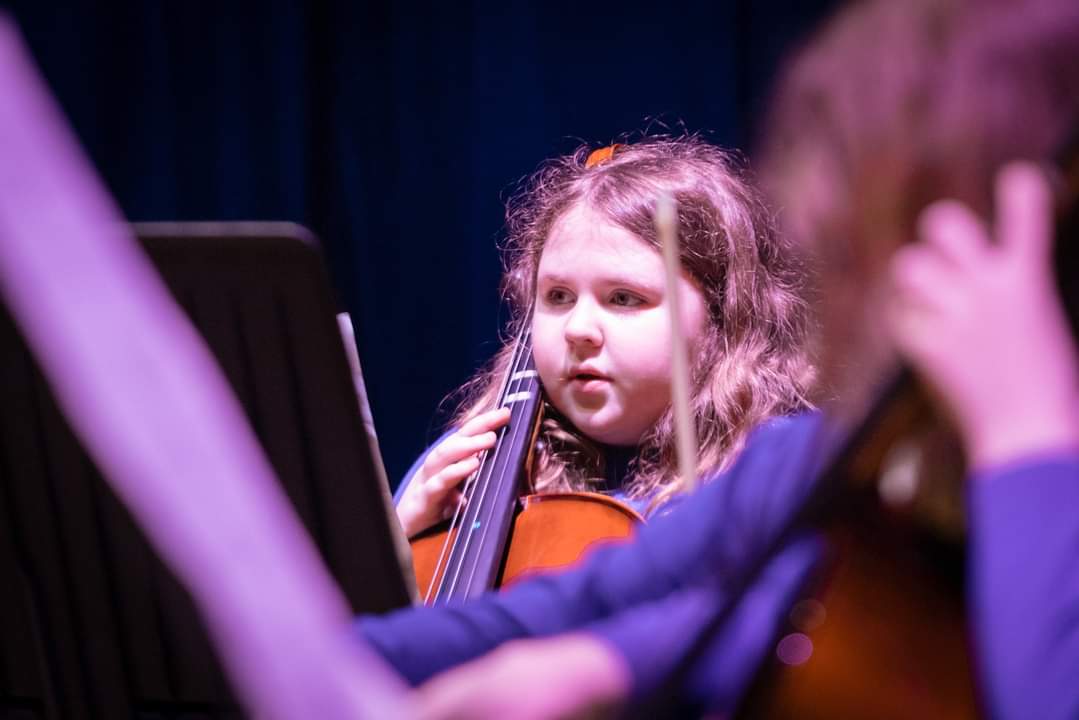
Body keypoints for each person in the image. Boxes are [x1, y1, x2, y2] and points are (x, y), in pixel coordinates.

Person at [358, 1, 1079, 717]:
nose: (822, 239)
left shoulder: (1025, 462)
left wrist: (1026, 432)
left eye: (865, 216)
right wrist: (604, 661)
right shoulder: (803, 464)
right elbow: (588, 604)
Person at [395, 135, 813, 537]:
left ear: (722, 316)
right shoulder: (466, 473)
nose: (577, 330)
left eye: (623, 298)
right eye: (557, 296)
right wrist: (400, 545)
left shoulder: (776, 475)